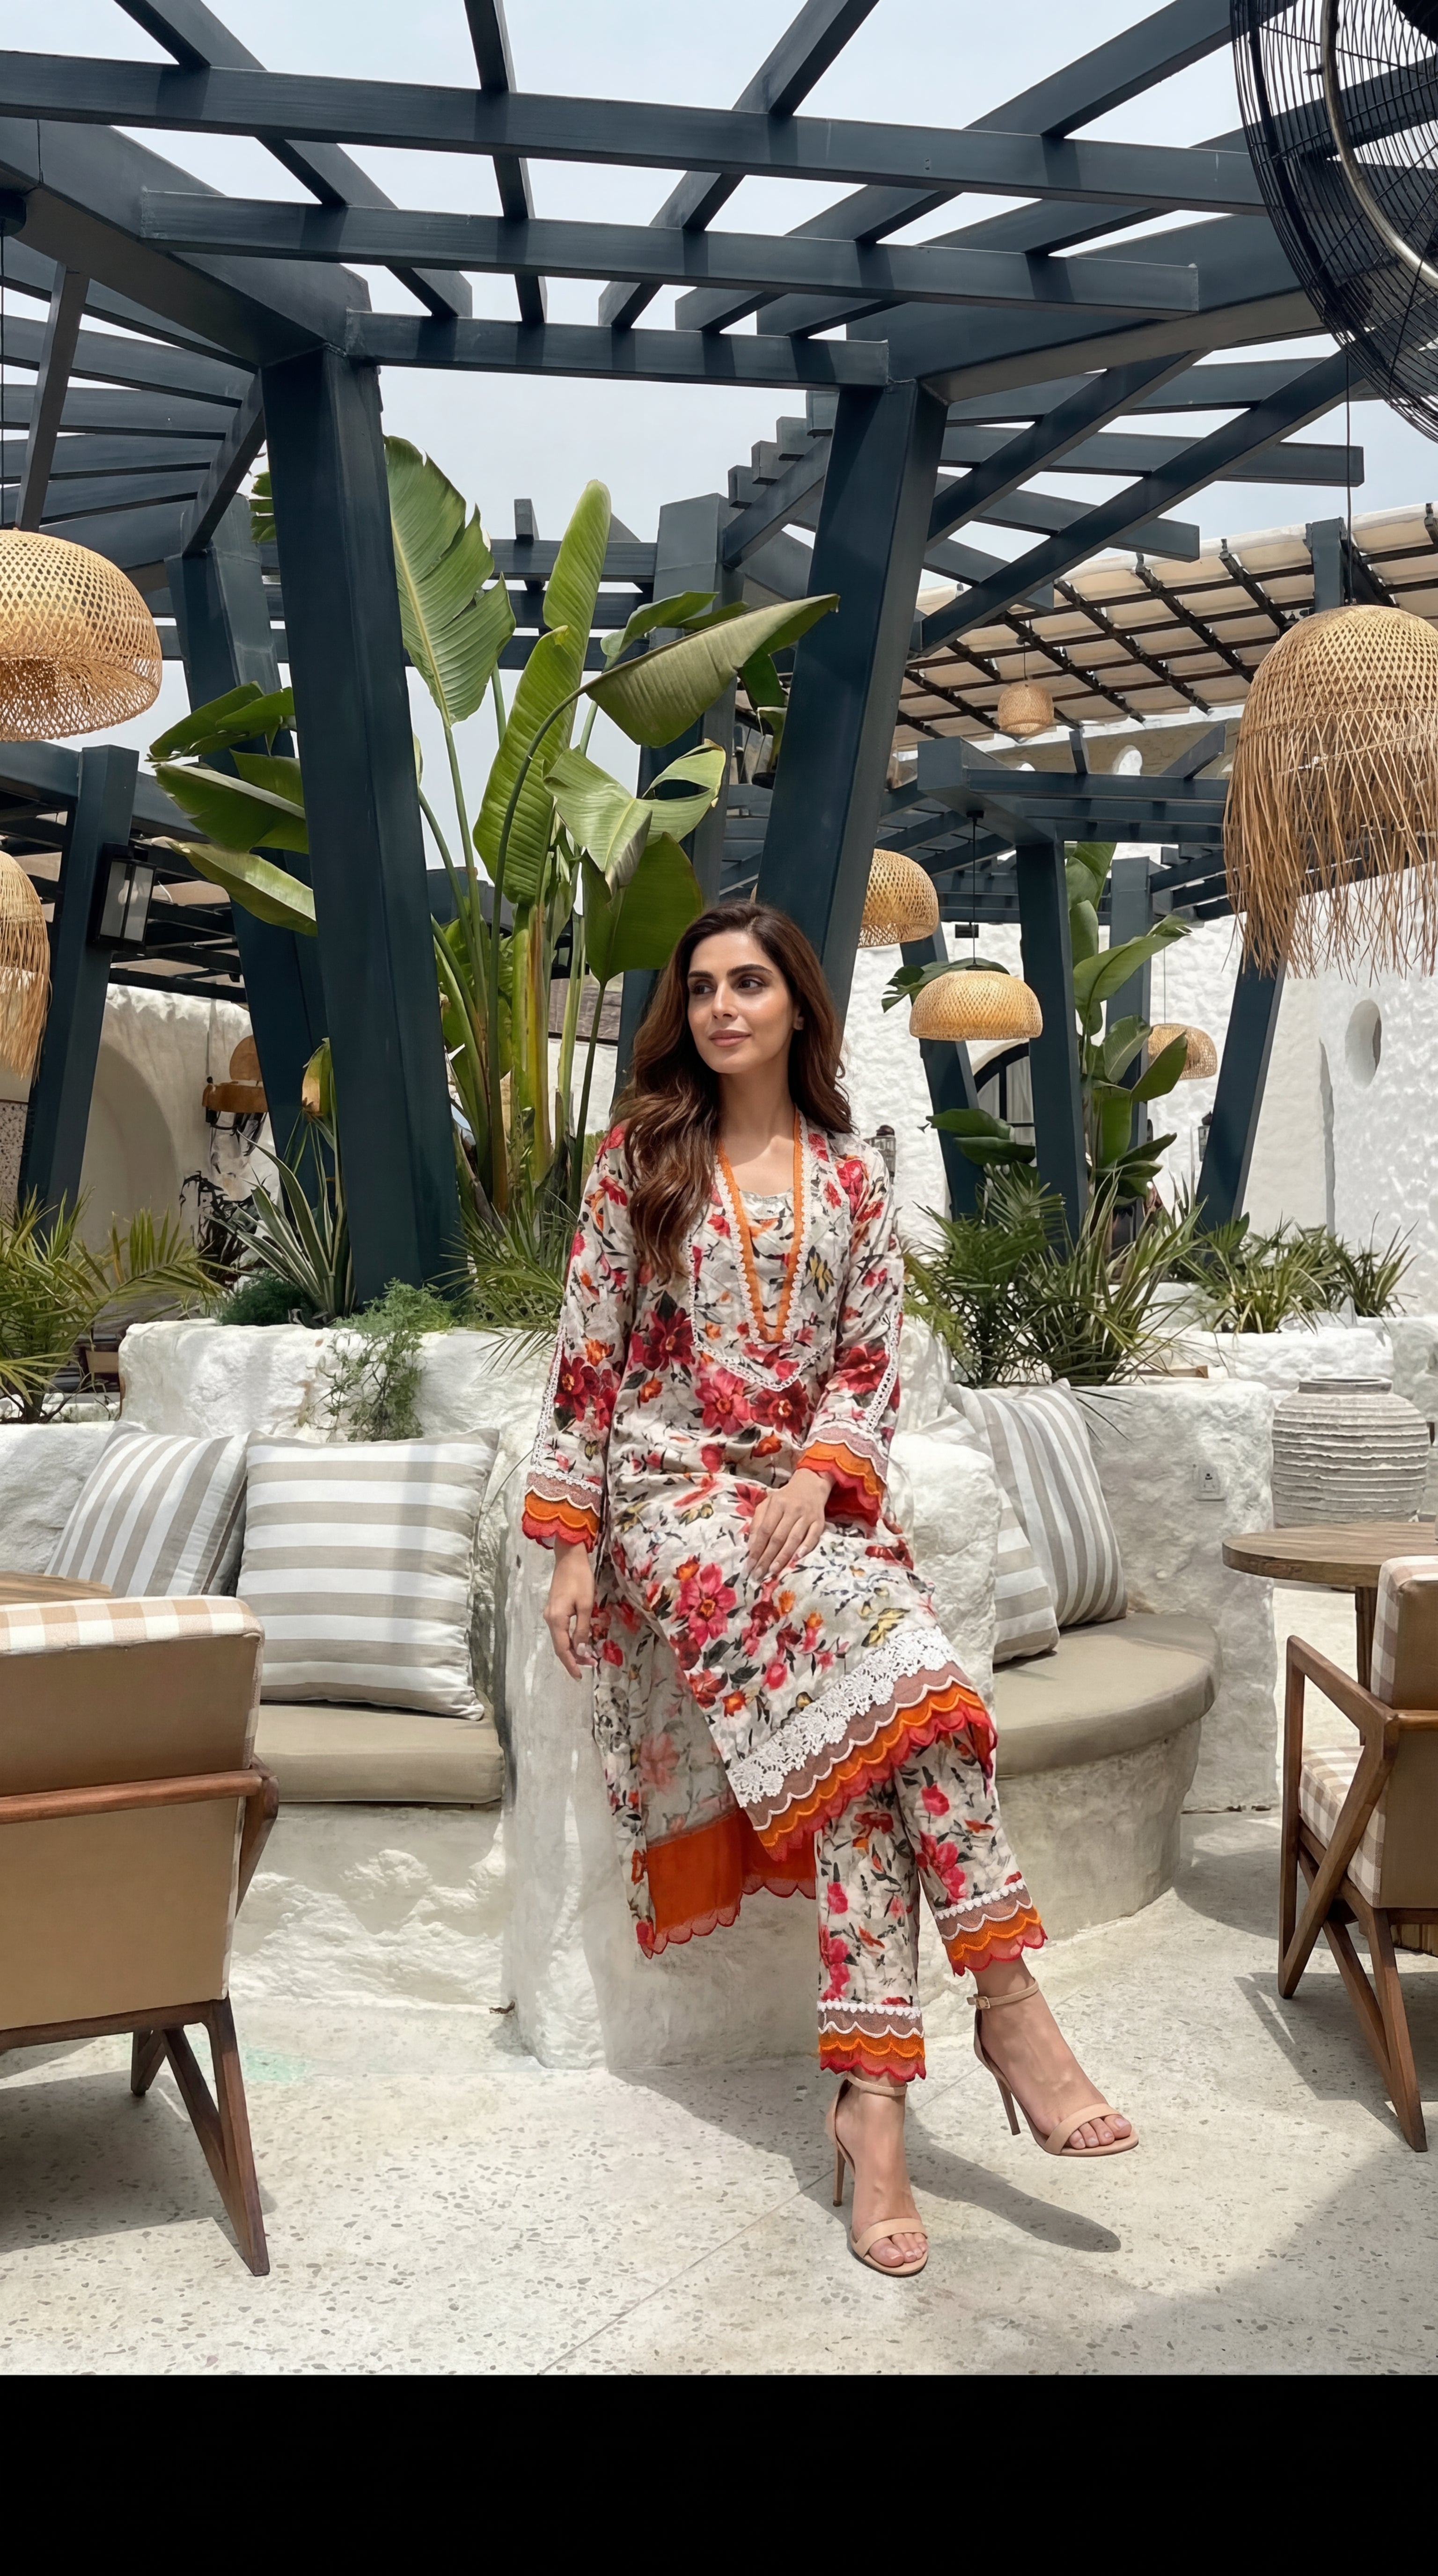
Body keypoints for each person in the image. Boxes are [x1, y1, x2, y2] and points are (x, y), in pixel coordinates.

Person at [526, 901, 1134, 2277]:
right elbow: (587, 1358)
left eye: (751, 983)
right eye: (702, 988)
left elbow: (870, 1367)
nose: (724, 1006)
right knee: (908, 1682)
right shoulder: (637, 1162)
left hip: (804, 1500)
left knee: (887, 1734)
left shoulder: (856, 1180)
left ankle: (875, 2110)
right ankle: (1008, 2001)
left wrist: (819, 1473)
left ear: (799, 1004)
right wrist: (573, 1542)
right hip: (676, 1503)